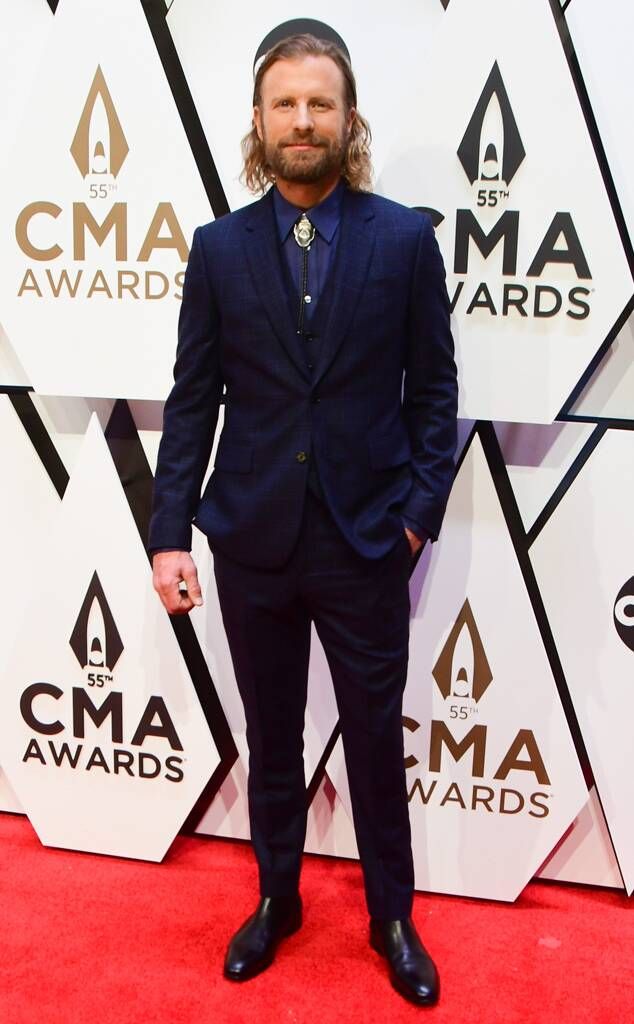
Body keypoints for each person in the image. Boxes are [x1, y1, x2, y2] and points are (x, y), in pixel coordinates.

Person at [149, 33, 458, 1007]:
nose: (302, 123)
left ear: (348, 118)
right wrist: (169, 535)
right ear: (257, 120)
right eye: (284, 105)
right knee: (270, 736)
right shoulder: (219, 248)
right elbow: (191, 397)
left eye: (319, 105)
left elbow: (436, 398)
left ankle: (391, 916)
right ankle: (276, 897)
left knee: (373, 735)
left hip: (367, 540)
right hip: (252, 541)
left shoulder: (404, 240)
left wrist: (413, 518)